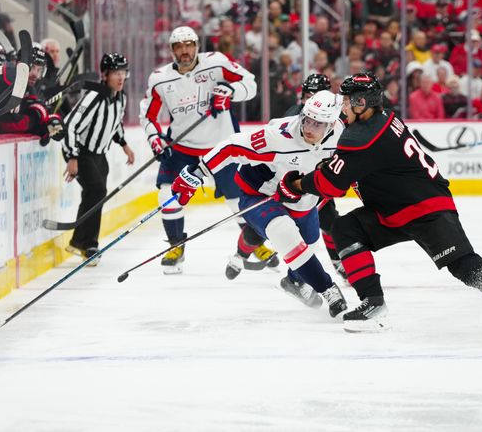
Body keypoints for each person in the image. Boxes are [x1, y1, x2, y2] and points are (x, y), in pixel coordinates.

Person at [275, 72, 482, 335]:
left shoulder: (363, 138)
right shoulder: (384, 117)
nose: (344, 107)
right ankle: (373, 304)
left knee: (467, 268)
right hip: (394, 209)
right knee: (345, 228)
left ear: (363, 104)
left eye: (348, 102)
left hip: (427, 210)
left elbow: (331, 185)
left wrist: (295, 184)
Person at [171, 91, 348, 317]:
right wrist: (198, 172)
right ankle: (327, 288)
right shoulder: (278, 136)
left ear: (332, 124)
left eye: (318, 124)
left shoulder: (341, 135)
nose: (309, 128)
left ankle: (295, 282)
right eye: (307, 120)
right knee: (284, 233)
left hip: (302, 198)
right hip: (259, 193)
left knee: (310, 243)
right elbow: (231, 147)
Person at [138, 26, 257, 274]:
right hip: (182, 147)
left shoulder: (217, 63)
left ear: (197, 46)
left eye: (189, 44)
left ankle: (253, 244)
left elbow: (251, 83)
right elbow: (148, 115)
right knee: (167, 195)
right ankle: (175, 246)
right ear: (172, 50)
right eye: (179, 46)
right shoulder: (160, 79)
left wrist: (231, 93)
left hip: (221, 146)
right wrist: (154, 137)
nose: (185, 51)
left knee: (237, 199)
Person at [62, 53, 135, 265]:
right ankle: (88, 244)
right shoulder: (94, 97)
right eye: (115, 73)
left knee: (95, 195)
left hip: (99, 154)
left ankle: (80, 241)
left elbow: (115, 124)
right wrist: (72, 157)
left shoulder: (121, 97)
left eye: (123, 73)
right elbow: (71, 125)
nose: (121, 78)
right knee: (97, 191)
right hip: (82, 152)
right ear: (105, 75)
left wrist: (124, 145)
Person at [284, 73, 345, 280]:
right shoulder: (291, 118)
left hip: (319, 184)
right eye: (307, 95)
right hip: (294, 185)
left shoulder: (338, 122)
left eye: (315, 95)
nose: (311, 101)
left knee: (330, 224)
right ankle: (242, 253)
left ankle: (337, 261)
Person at [0, 44, 63, 145]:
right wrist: (38, 125)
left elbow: (36, 105)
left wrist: (51, 121)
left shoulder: (24, 80)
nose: (35, 75)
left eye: (40, 70)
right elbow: (5, 124)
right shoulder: (7, 80)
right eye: (32, 67)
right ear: (20, 65)